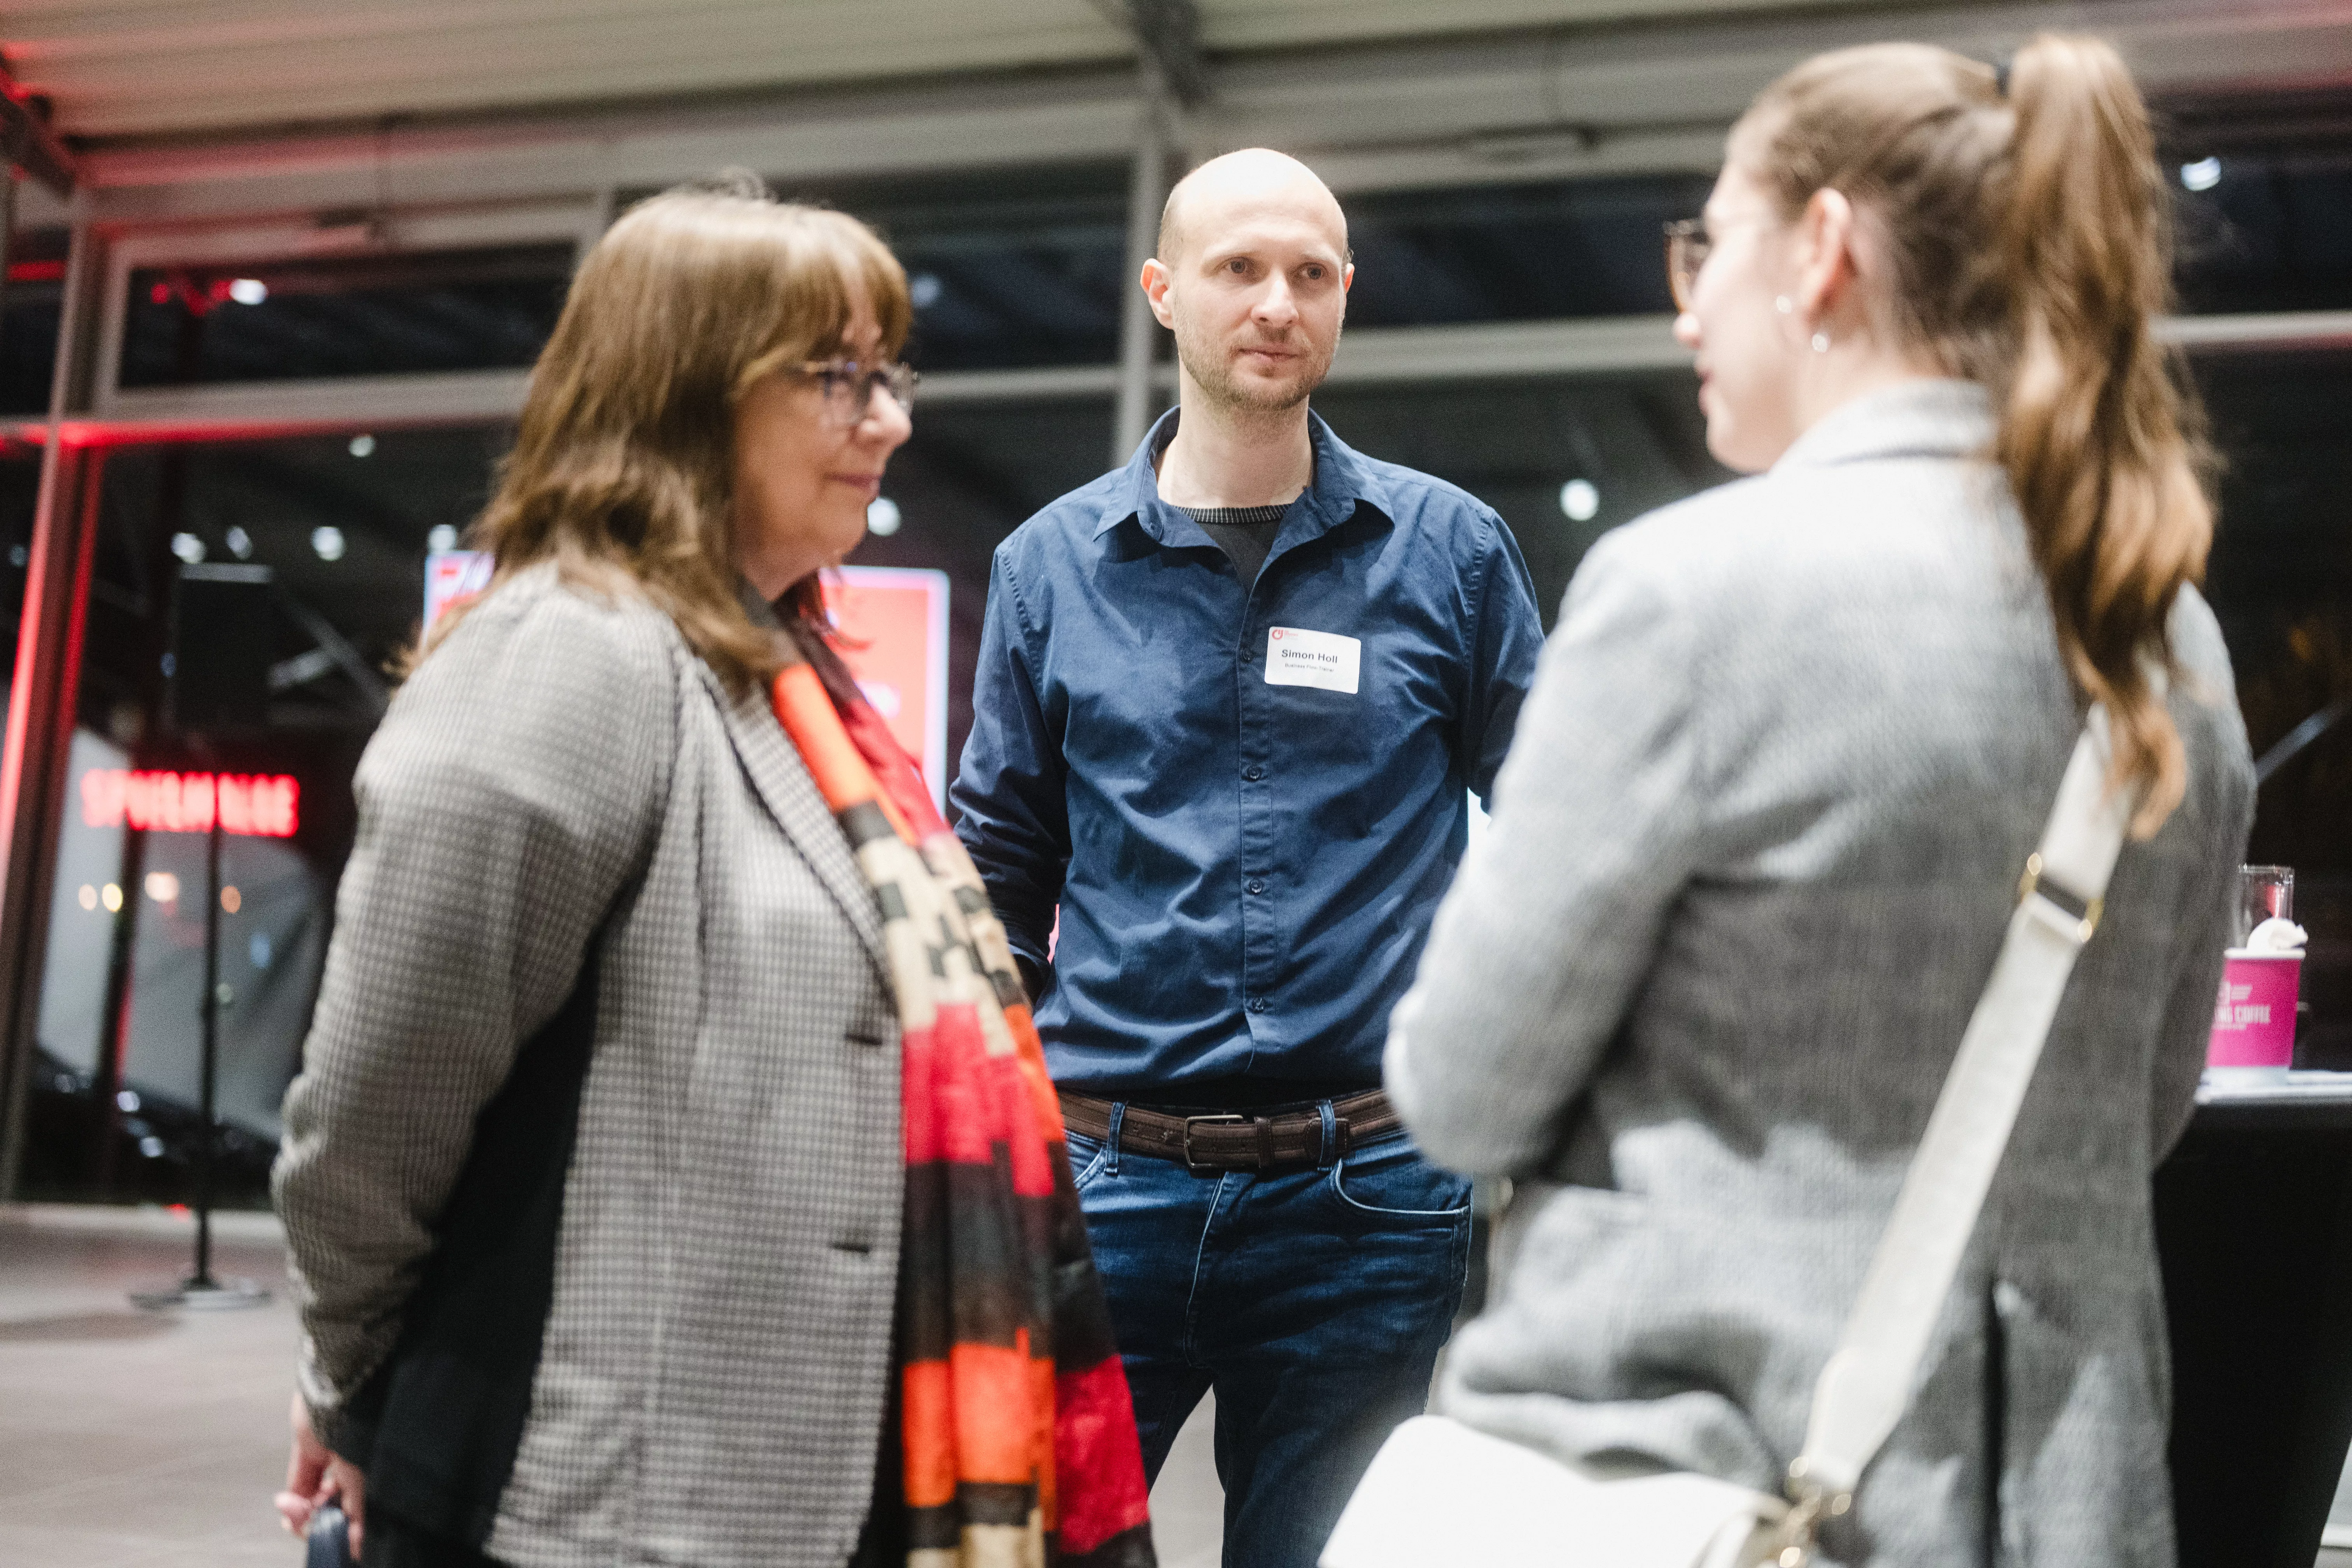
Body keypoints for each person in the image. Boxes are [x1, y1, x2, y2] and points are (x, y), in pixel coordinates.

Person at [1386, 34, 2254, 1567]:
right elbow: (2151, 1109)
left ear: (1826, 252)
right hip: (2067, 1502)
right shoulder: (2165, 633)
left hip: (1702, 1482)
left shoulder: (1697, 590)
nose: (1689, 302)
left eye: (1709, 244)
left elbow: (1461, 1093)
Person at [271, 177, 1153, 1568]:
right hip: (620, 1486)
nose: (891, 421)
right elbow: (383, 1100)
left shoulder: (789, 676)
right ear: (684, 395)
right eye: (836, 378)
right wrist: (359, 1384)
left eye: (891, 375)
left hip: (826, 1464)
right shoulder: (573, 652)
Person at [951, 148, 1545, 1565]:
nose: (1276, 302)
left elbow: (1557, 839)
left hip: (1373, 1199)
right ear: (1163, 293)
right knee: (1037, 1548)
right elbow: (994, 871)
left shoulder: (1450, 555)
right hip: (1107, 1187)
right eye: (1238, 269)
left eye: (1311, 274)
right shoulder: (1053, 568)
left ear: (1345, 299)